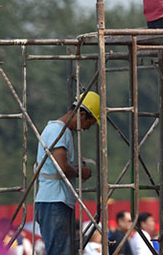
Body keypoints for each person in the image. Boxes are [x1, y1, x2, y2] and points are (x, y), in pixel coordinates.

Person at [34, 92, 100, 255]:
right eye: (89, 123)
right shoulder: (57, 130)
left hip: (57, 201)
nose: (87, 128)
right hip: (53, 201)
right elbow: (61, 167)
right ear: (82, 114)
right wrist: (80, 171)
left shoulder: (63, 131)